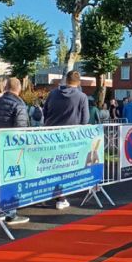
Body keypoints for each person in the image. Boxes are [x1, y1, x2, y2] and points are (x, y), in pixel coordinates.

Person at [0, 77, 30, 225]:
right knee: (11, 178)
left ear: (6, 87)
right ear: (19, 88)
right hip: (10, 148)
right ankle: (10, 212)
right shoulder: (19, 104)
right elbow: (21, 129)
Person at [43, 70, 89, 209]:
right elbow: (85, 119)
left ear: (66, 80)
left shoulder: (52, 94)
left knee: (51, 166)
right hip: (69, 138)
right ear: (79, 82)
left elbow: (45, 112)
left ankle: (48, 192)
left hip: (50, 136)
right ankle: (61, 197)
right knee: (65, 168)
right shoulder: (82, 97)